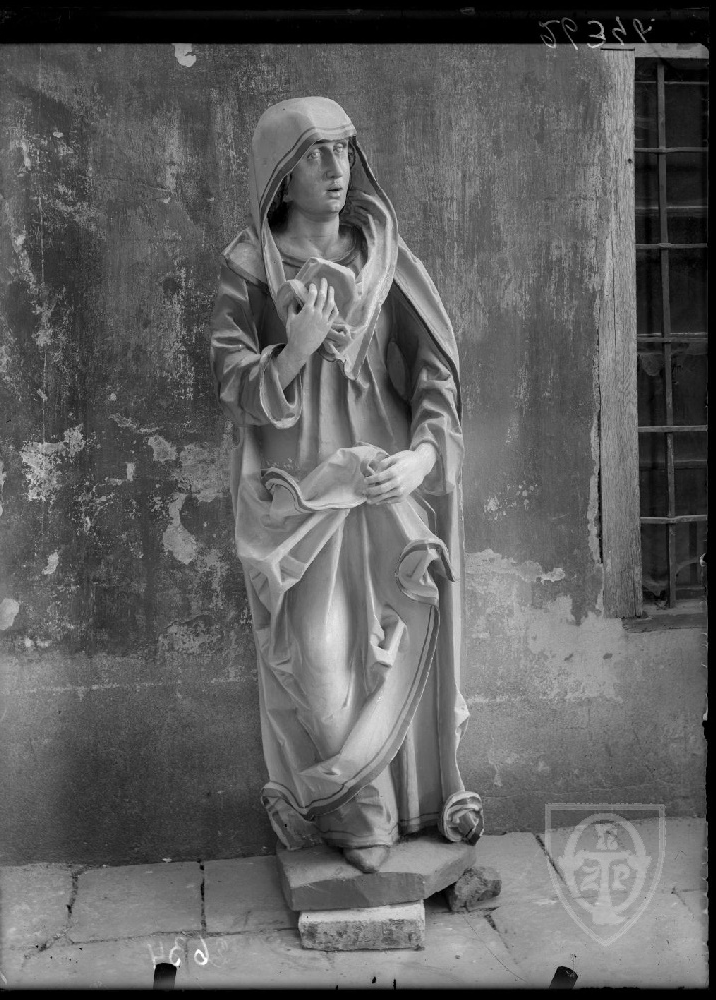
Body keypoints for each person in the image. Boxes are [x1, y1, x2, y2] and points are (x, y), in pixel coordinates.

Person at [210, 96, 483, 873]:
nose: (335, 169)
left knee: (394, 648)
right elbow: (232, 383)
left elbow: (434, 375)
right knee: (318, 660)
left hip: (385, 487)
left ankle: (385, 817)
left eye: (343, 149)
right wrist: (295, 348)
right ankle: (353, 809)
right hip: (297, 497)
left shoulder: (383, 257)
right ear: (278, 175)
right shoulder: (249, 266)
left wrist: (424, 458)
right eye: (313, 153)